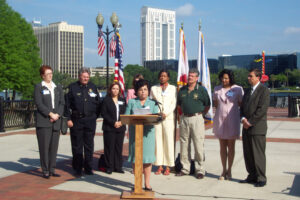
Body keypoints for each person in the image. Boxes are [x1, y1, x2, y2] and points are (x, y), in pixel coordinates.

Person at [64, 68, 101, 176]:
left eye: (88, 77)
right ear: (79, 76)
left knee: (89, 145)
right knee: (77, 145)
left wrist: (94, 117)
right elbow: (66, 105)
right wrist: (68, 119)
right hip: (77, 121)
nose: (86, 79)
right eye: (84, 77)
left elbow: (98, 103)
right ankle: (78, 168)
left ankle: (88, 168)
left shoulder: (93, 87)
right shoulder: (72, 87)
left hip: (90, 121)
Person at [176, 68, 211, 179]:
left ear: (197, 78)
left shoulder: (201, 90)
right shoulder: (182, 90)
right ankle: (185, 168)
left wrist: (201, 114)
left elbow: (207, 104)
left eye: (192, 76)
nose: (189, 77)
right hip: (184, 118)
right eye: (189, 75)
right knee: (184, 144)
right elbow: (179, 105)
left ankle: (200, 169)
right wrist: (181, 117)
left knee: (198, 144)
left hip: (197, 118)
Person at [125, 79, 158, 191]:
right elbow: (126, 117)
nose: (143, 92)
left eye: (145, 89)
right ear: (136, 91)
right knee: (136, 159)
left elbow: (156, 118)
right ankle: (137, 182)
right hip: (135, 135)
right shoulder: (132, 102)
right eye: (140, 90)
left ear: (148, 91)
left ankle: (147, 184)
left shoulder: (153, 103)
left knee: (147, 160)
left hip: (148, 135)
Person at [239, 68, 270, 187]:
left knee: (258, 153)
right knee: (248, 153)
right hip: (246, 127)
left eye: (251, 76)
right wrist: (243, 119)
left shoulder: (264, 91)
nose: (248, 78)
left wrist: (250, 122)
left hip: (257, 127)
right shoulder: (247, 91)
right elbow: (242, 108)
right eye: (248, 76)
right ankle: (252, 175)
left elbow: (262, 109)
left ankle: (261, 177)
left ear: (258, 77)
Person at [34, 65, 65, 179]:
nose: (50, 75)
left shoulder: (57, 87)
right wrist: (50, 114)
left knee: (53, 147)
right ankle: (45, 170)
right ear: (42, 75)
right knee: (44, 147)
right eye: (48, 74)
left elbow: (62, 102)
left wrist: (57, 114)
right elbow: (39, 103)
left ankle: (52, 169)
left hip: (56, 121)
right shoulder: (39, 87)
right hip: (44, 122)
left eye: (51, 73)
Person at [212, 69, 244, 180]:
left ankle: (229, 170)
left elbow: (241, 103)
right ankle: (223, 170)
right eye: (223, 78)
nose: (224, 80)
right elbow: (216, 103)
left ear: (230, 78)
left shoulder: (237, 89)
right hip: (220, 120)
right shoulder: (217, 89)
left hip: (232, 120)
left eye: (226, 78)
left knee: (231, 146)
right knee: (222, 146)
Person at [150, 69, 177, 175]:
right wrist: (157, 113)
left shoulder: (173, 88)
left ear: (168, 78)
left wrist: (166, 113)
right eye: (161, 76)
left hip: (168, 118)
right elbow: (152, 102)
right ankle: (159, 165)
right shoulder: (154, 88)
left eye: (165, 76)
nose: (162, 77)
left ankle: (168, 166)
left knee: (168, 142)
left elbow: (173, 103)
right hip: (157, 118)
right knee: (158, 142)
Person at [101, 82, 126, 174]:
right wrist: (113, 122)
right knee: (109, 148)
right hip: (109, 127)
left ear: (119, 90)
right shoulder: (106, 100)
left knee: (118, 148)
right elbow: (104, 113)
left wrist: (120, 122)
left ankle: (118, 166)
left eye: (117, 89)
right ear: (110, 90)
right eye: (113, 88)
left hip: (120, 127)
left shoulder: (122, 100)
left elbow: (125, 112)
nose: (115, 90)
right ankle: (109, 166)